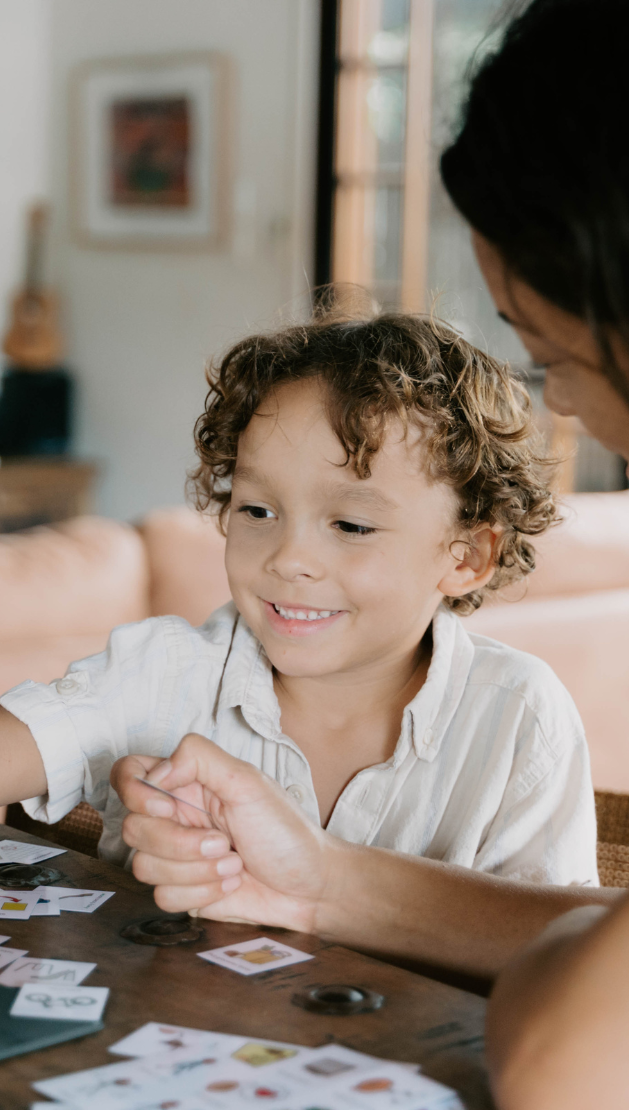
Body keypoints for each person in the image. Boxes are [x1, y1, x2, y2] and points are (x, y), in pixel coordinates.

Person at [111, 1, 629, 1106]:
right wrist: (312, 887)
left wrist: (549, 979)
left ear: (469, 555)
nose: (582, 412)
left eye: (556, 359)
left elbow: (564, 1062)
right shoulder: (179, 665)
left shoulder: (514, 708)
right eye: (253, 510)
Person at [0, 312, 598, 894]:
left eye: (352, 524)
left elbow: (555, 958)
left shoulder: (519, 719)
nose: (289, 559)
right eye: (256, 510)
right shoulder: (164, 673)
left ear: (466, 557)